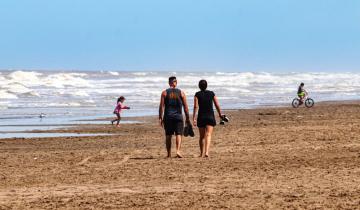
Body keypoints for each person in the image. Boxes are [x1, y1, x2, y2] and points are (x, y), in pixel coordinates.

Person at [159, 76, 190, 158]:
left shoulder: (164, 93)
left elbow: (161, 106)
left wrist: (160, 117)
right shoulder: (181, 93)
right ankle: (178, 151)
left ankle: (168, 154)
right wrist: (187, 118)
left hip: (168, 117)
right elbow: (186, 107)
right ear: (176, 83)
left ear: (169, 83)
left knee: (168, 135)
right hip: (178, 117)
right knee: (179, 134)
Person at [193, 80, 223, 158]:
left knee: (201, 137)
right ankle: (206, 152)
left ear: (199, 86)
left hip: (201, 117)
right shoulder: (211, 93)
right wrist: (220, 115)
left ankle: (201, 154)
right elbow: (217, 105)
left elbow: (195, 107)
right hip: (210, 116)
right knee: (208, 134)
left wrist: (194, 118)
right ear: (206, 86)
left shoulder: (197, 94)